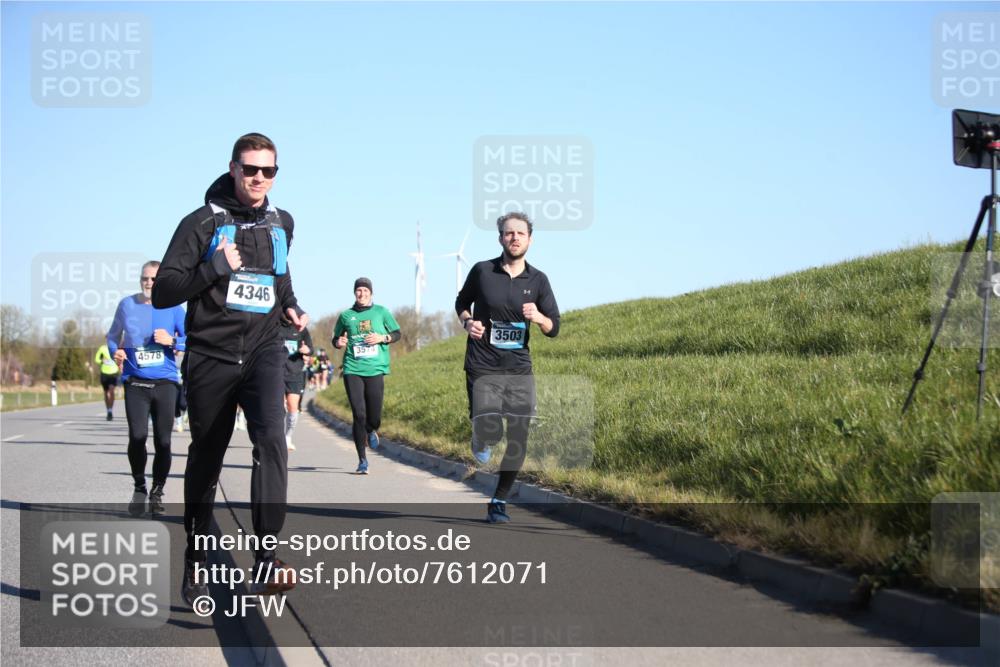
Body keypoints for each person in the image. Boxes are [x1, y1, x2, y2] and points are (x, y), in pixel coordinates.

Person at [152, 132, 308, 604]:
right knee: (207, 456)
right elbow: (164, 291)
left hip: (263, 351)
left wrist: (291, 307)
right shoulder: (201, 223)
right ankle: (195, 557)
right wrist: (213, 267)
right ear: (233, 168)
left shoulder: (283, 222)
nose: (259, 178)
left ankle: (267, 557)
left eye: (269, 171)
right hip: (211, 356)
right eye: (250, 169)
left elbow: (278, 277)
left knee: (272, 440)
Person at [455, 212, 560, 523]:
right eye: (509, 233)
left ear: (530, 239)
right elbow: (461, 302)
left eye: (521, 233)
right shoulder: (482, 271)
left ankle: (499, 499)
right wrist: (468, 322)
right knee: (491, 427)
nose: (514, 238)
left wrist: (539, 318)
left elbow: (554, 327)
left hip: (518, 367)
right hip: (482, 363)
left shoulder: (539, 280)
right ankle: (481, 435)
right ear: (500, 237)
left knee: (519, 436)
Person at [106, 261, 186, 517]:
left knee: (163, 441)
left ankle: (157, 490)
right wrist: (115, 352)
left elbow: (193, 338)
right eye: (145, 278)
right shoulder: (127, 305)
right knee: (137, 437)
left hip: (165, 382)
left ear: (162, 280)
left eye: (153, 279)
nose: (149, 282)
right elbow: (112, 337)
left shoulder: (174, 307)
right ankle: (140, 486)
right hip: (135, 381)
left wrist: (173, 340)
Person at [332, 277, 401, 474]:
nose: (361, 294)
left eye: (365, 290)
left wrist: (382, 338)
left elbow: (397, 333)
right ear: (355, 293)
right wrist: (339, 342)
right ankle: (362, 460)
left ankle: (371, 430)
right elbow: (335, 338)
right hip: (352, 368)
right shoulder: (346, 315)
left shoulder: (381, 312)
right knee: (358, 414)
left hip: (376, 368)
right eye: (358, 291)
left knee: (374, 417)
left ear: (371, 293)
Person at [279, 314, 312, 451]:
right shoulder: (275, 326)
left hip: (295, 373)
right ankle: (277, 437)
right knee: (278, 408)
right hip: (277, 372)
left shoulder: (301, 329)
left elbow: (311, 348)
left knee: (293, 407)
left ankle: (288, 437)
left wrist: (307, 350)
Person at [94, 342, 120, 420]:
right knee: (106, 393)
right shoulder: (102, 348)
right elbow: (96, 359)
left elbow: (121, 358)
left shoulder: (117, 348)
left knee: (111, 391)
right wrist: (102, 361)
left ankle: (110, 410)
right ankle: (108, 410)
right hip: (104, 373)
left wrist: (118, 362)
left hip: (114, 372)